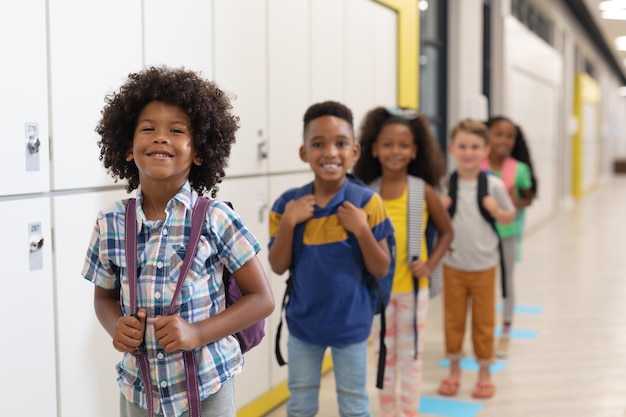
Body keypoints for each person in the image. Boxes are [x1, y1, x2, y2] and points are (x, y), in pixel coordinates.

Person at [81, 66, 275, 417]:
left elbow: (261, 299)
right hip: (139, 389)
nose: (160, 137)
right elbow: (104, 298)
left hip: (208, 384)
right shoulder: (109, 223)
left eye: (176, 130)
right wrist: (116, 326)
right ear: (128, 147)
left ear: (198, 151)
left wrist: (198, 333)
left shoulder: (216, 218)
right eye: (148, 128)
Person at [268, 100, 395, 417]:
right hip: (303, 325)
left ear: (355, 151)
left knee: (354, 405)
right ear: (304, 152)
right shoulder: (287, 204)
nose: (330, 152)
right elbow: (277, 265)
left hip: (351, 326)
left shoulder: (368, 202)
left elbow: (381, 267)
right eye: (318, 144)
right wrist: (288, 223)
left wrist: (362, 230)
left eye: (340, 143)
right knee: (299, 405)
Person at [352, 107, 454, 417]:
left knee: (411, 357)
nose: (395, 151)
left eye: (403, 145)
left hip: (413, 290)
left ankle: (409, 412)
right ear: (374, 148)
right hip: (377, 294)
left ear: (415, 151)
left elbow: (448, 232)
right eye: (388, 144)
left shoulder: (423, 191)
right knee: (383, 357)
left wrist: (430, 263)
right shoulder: (366, 194)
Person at [438, 118, 515, 400]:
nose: (468, 152)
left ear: (485, 151)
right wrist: (441, 209)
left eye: (474, 146)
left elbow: (510, 216)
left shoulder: (493, 185)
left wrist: (498, 211)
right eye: (462, 146)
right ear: (452, 149)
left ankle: (484, 373)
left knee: (483, 322)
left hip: (484, 266)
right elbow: (433, 222)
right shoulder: (445, 184)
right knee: (453, 320)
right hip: (453, 265)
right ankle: (454, 370)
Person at [483, 116, 537, 358]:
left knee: (506, 283)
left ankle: (505, 333)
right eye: (498, 134)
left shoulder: (519, 169)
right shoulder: (477, 163)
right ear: (487, 136)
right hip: (479, 235)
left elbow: (528, 197)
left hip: (507, 234)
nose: (504, 140)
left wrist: (516, 200)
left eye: (509, 136)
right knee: (482, 284)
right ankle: (481, 333)